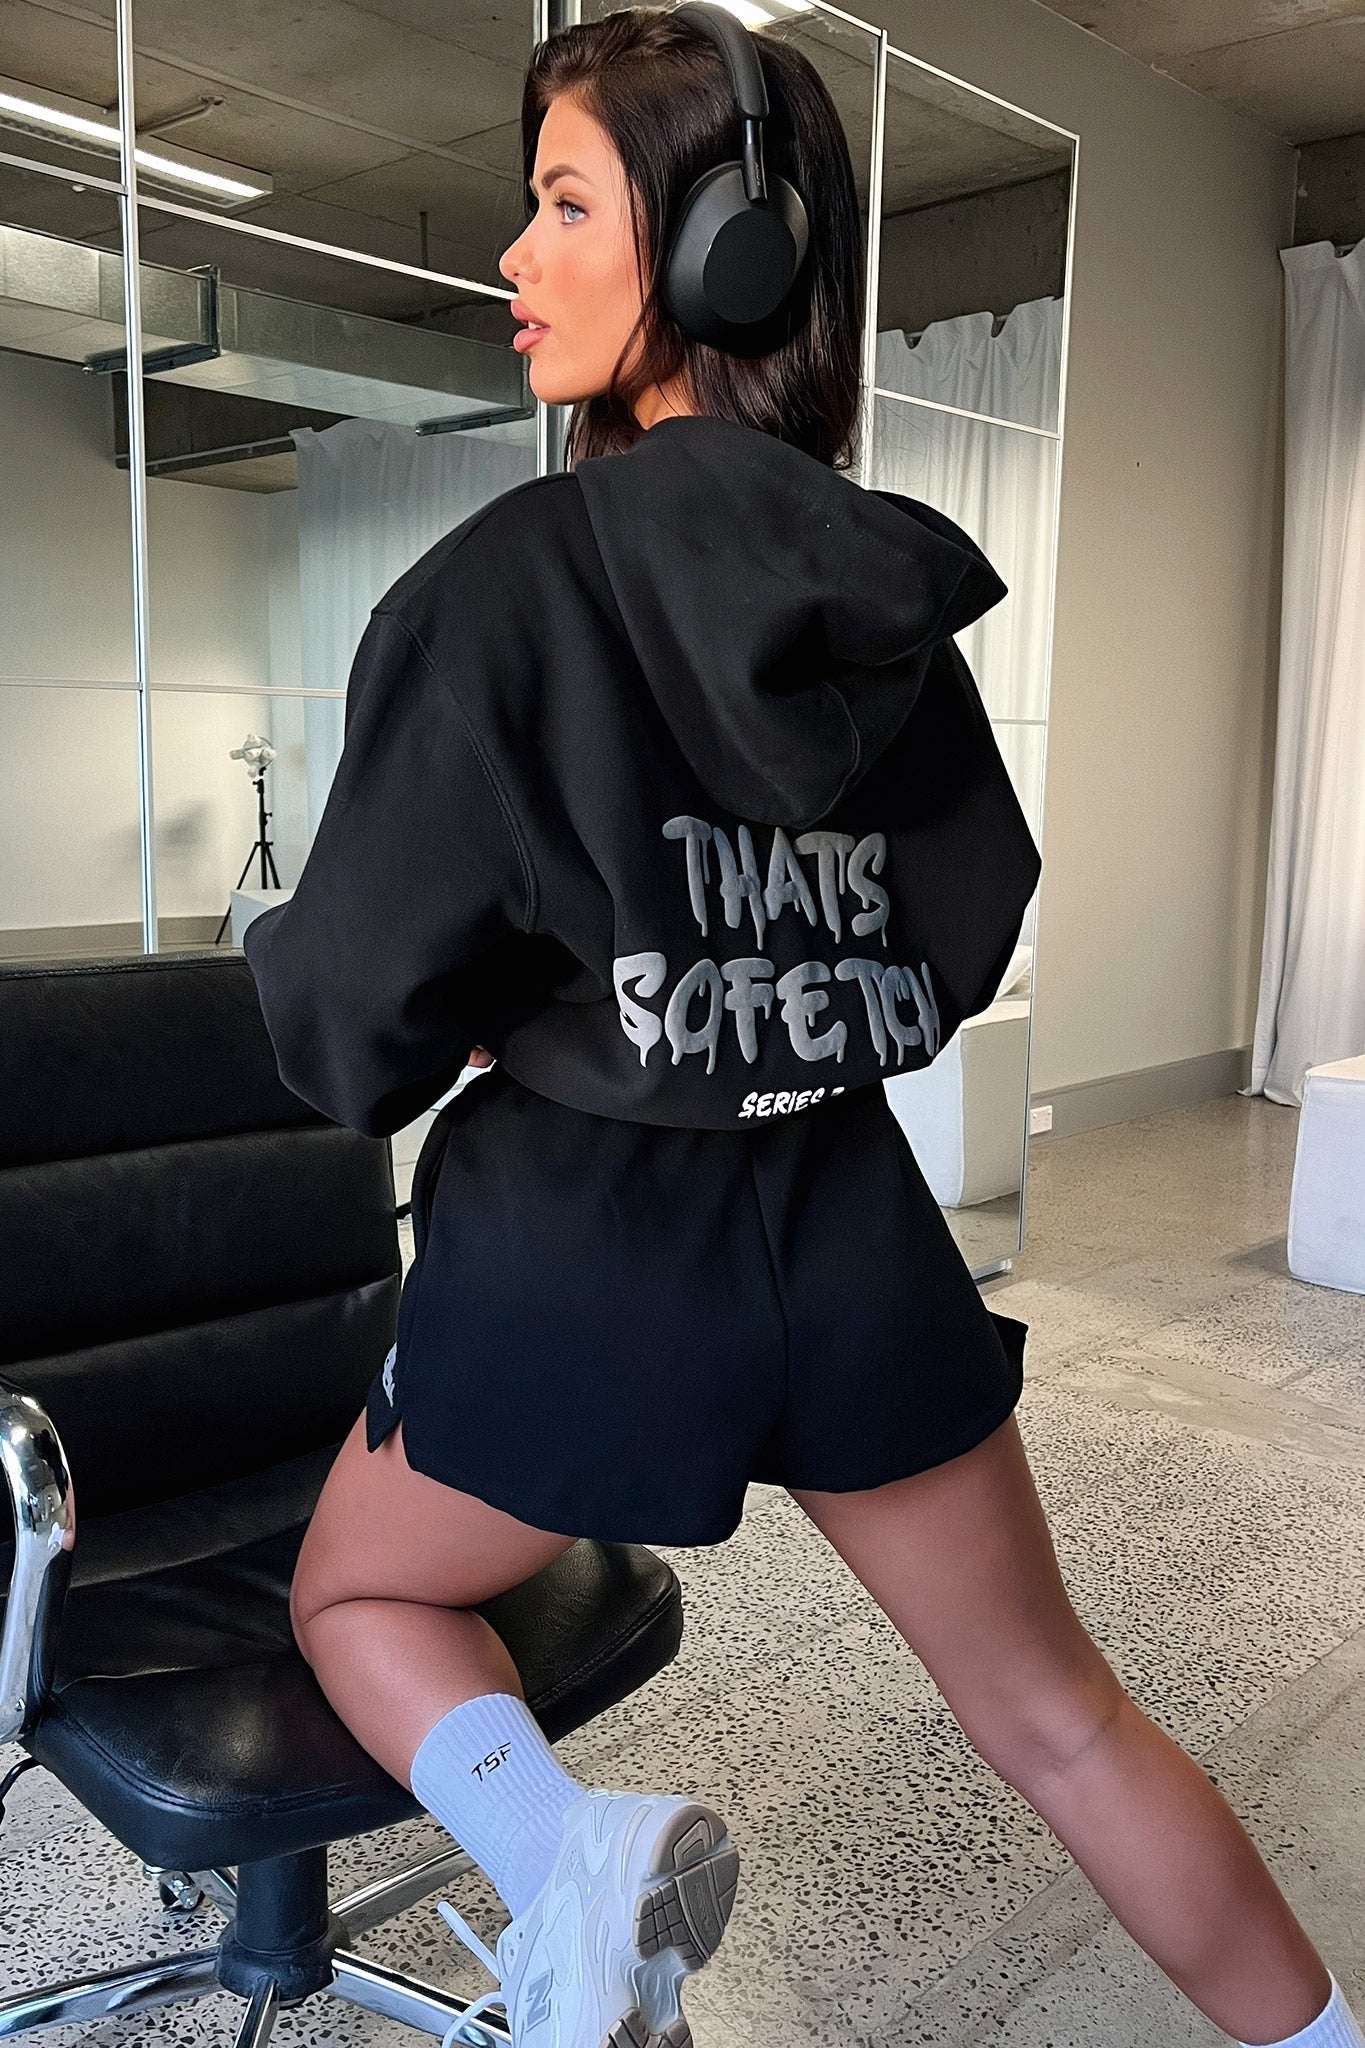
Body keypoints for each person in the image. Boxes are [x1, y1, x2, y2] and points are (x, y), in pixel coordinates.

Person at [240, 10, 1363, 2048]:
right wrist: (764, 1002)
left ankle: (576, 1862)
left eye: (561, 202)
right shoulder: (881, 600)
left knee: (359, 1592)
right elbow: (960, 924)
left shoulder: (496, 592)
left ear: (713, 249)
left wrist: (512, 1007)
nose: (512, 253)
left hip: (580, 1238)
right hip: (846, 1219)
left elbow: (346, 1027)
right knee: (1059, 1713)